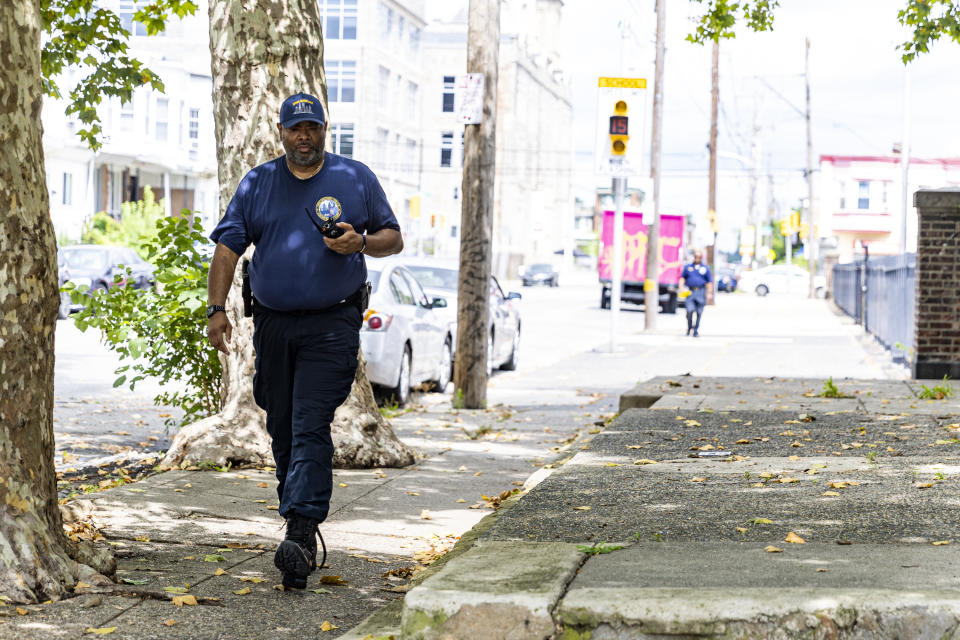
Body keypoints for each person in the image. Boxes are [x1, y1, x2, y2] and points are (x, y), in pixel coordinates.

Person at [205, 92, 403, 589]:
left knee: (310, 421)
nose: (304, 136)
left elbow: (392, 239)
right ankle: (298, 520)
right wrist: (215, 311)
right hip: (272, 325)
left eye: (312, 127)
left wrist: (359, 241)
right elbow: (228, 248)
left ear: (324, 130)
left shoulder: (355, 178)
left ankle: (300, 526)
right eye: (296, 128)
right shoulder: (259, 182)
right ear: (282, 132)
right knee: (284, 427)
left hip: (332, 324)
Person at [681, 249, 712, 337]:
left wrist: (709, 293)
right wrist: (681, 287)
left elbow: (709, 281)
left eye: (699, 257)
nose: (697, 258)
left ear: (701, 258)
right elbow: (682, 278)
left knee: (699, 312)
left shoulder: (705, 268)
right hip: (690, 292)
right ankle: (689, 327)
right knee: (689, 311)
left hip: (701, 292)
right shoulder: (688, 267)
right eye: (696, 257)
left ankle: (695, 330)